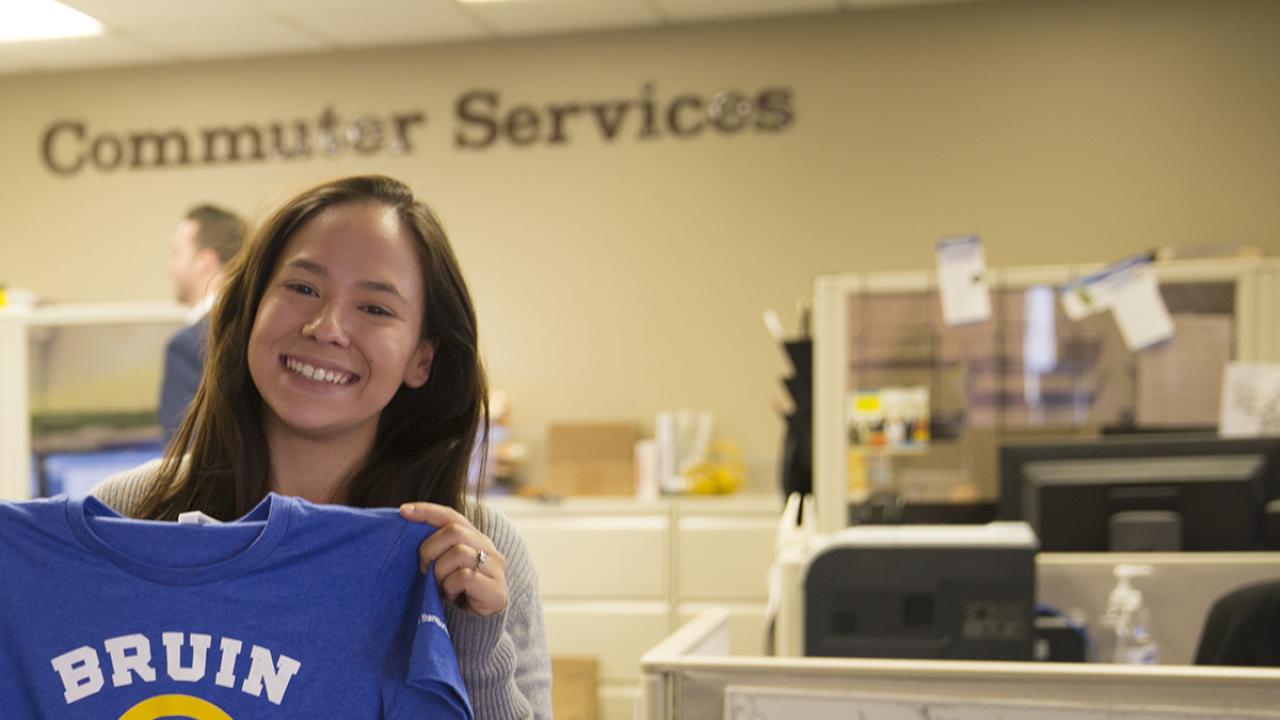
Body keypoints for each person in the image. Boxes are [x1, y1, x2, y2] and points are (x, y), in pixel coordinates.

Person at [93, 175, 551, 718]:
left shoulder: (472, 554)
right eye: (303, 289)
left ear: (421, 359)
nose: (326, 327)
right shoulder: (130, 515)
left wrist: (475, 648)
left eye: (375, 309)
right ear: (251, 310)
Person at [160, 204, 246, 442]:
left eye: (176, 253)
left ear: (204, 261)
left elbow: (184, 456)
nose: (170, 268)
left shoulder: (188, 345)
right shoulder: (260, 332)